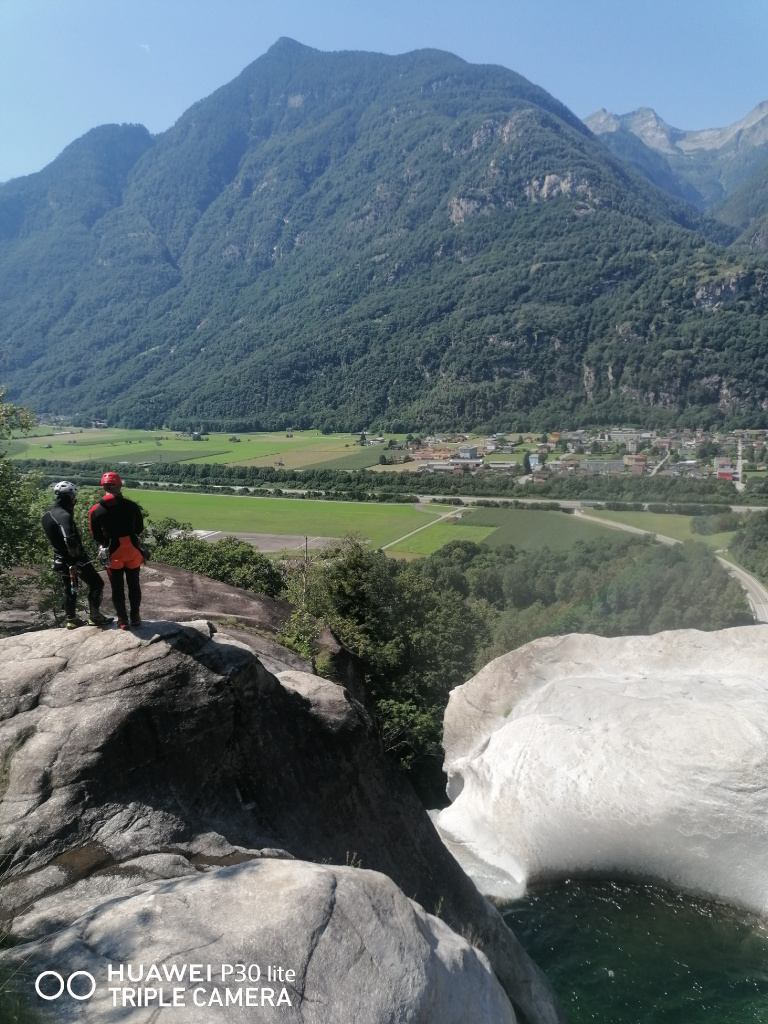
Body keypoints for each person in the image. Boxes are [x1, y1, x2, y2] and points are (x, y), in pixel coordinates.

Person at [41, 481, 113, 629]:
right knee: (97, 584)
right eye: (74, 497)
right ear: (70, 497)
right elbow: (70, 540)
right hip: (74, 560)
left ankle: (72, 620)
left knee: (69, 588)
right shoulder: (63, 515)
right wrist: (75, 561)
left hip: (59, 560)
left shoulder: (47, 514)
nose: (75, 500)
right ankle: (95, 617)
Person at [89, 472, 145, 629]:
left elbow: (96, 535)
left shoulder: (96, 510)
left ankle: (122, 619)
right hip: (132, 550)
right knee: (134, 584)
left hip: (113, 552)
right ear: (119, 486)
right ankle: (135, 616)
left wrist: (106, 541)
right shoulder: (132, 506)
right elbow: (139, 528)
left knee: (117, 587)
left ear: (104, 487)